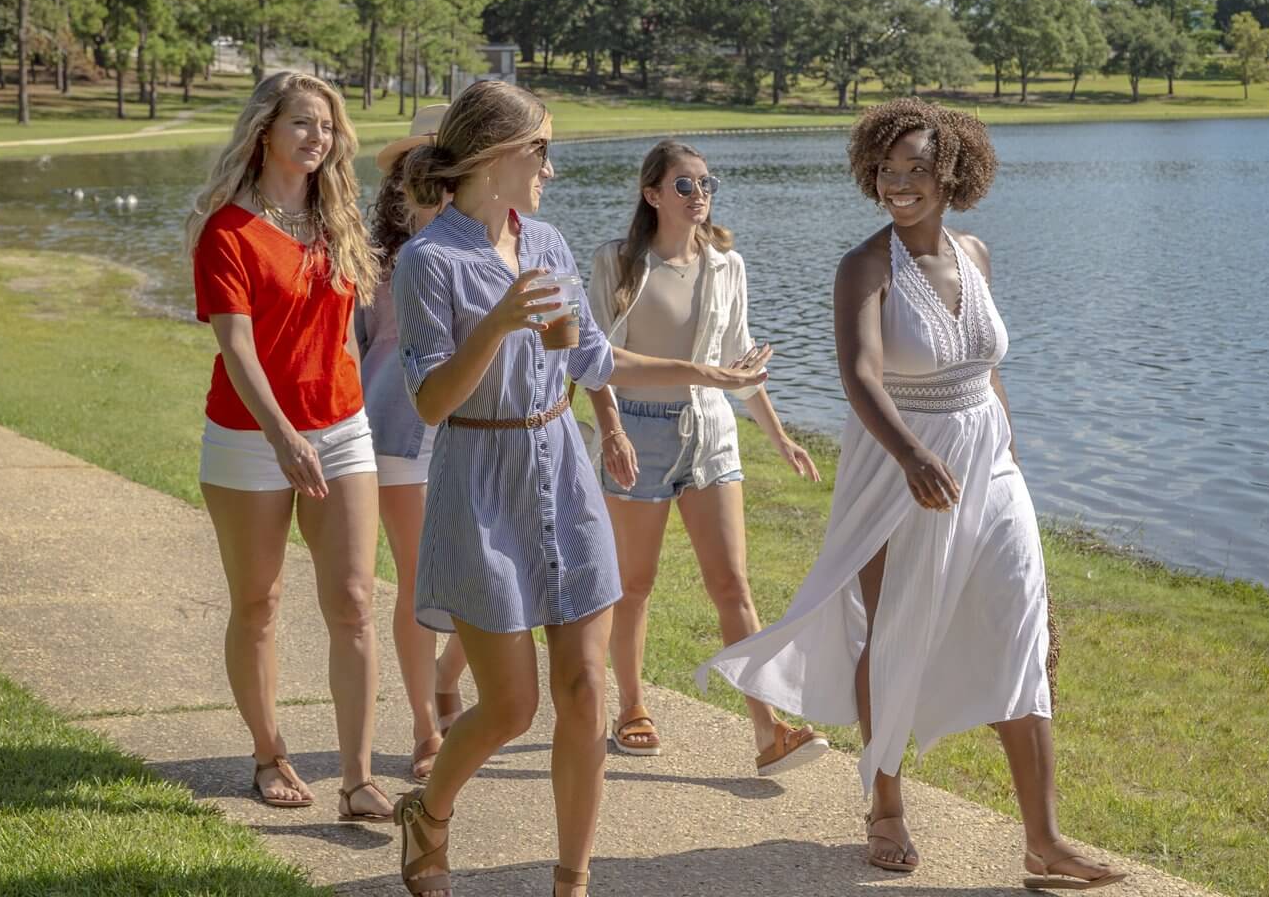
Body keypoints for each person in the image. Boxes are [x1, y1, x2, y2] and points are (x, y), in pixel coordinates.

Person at [699, 98, 1127, 890]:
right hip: (898, 469)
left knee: (1023, 633)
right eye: (888, 171)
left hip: (989, 466)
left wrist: (1012, 455)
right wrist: (911, 455)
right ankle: (886, 804)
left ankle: (1044, 838)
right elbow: (860, 375)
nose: (898, 185)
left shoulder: (977, 253)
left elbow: (987, 367)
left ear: (953, 172)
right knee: (892, 633)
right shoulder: (865, 265)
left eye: (916, 170)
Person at [388, 80, 771, 897]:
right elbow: (429, 401)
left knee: (584, 692)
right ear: (495, 155)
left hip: (563, 468)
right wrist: (496, 322)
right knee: (510, 706)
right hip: (481, 480)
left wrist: (704, 373)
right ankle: (429, 811)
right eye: (542, 151)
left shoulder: (551, 244)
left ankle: (573, 880)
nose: (551, 170)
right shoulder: (428, 262)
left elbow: (596, 358)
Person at [187, 70, 395, 823]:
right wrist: (283, 437)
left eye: (329, 126)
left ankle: (360, 775)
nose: (319, 138)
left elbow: (341, 332)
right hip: (249, 437)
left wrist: (339, 421)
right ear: (265, 130)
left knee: (353, 600)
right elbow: (238, 350)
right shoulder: (227, 231)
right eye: (304, 123)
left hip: (341, 429)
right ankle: (269, 753)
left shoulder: (340, 221)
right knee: (259, 601)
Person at [586, 139, 827, 776]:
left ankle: (768, 730)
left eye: (707, 184)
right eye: (686, 185)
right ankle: (632, 707)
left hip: (711, 434)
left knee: (732, 587)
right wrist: (611, 432)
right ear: (653, 194)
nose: (701, 196)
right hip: (638, 432)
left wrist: (779, 438)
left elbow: (741, 367)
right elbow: (596, 363)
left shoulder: (727, 265)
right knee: (634, 585)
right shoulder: (617, 263)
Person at [357, 104, 470, 782]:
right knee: (418, 582)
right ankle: (426, 731)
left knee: (488, 572)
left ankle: (448, 682)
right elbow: (359, 346)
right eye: (424, 164)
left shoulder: (494, 244)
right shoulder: (376, 256)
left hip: (477, 427)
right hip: (398, 430)